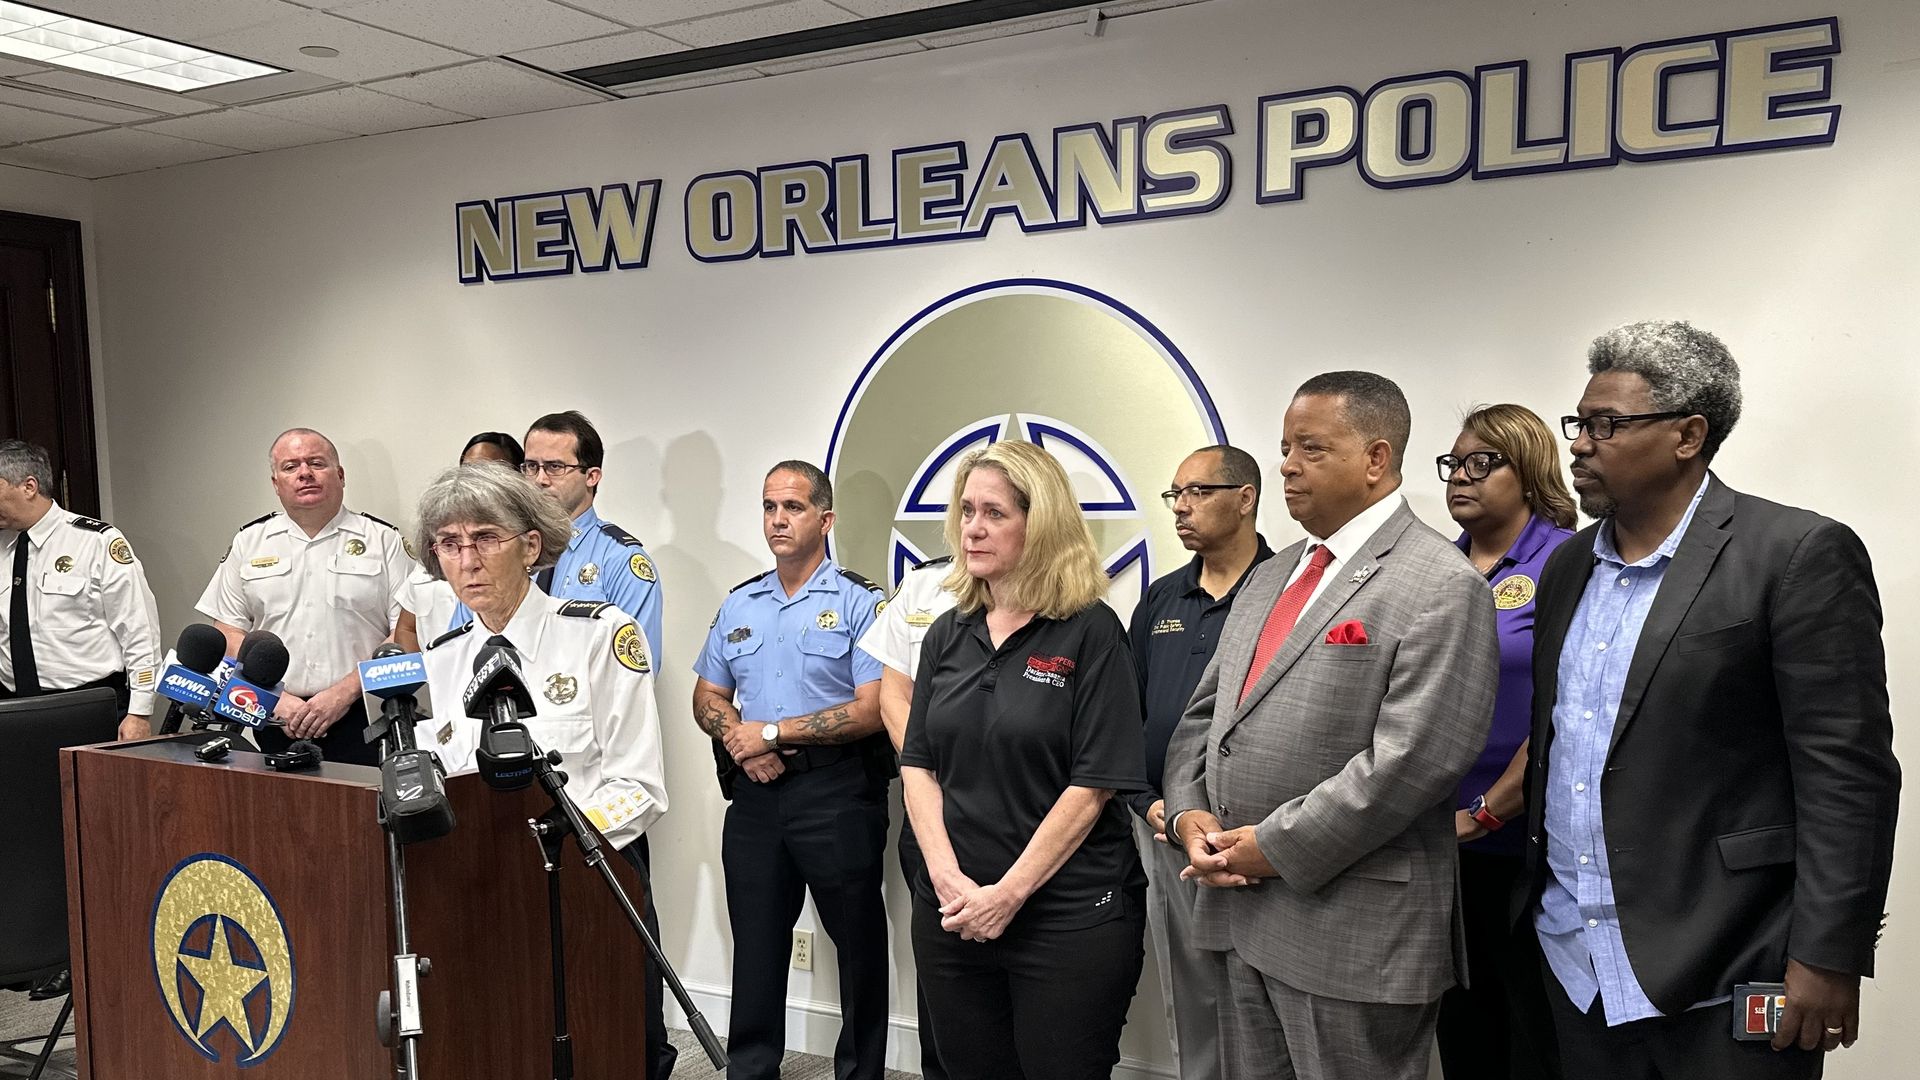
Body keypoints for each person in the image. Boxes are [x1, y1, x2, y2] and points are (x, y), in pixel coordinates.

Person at [1524, 320, 1899, 1079]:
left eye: (1606, 425)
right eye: (1579, 423)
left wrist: (1828, 956)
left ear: (1688, 434)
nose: (1580, 445)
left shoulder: (1794, 554)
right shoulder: (1567, 568)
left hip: (1727, 964)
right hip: (1573, 964)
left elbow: (1847, 774)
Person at [1163, 371, 1499, 1080]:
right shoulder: (1273, 573)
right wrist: (1188, 813)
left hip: (1351, 932)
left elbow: (1414, 762)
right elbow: (1206, 714)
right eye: (1286, 446)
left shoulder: (1441, 584)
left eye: (1310, 447)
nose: (1286, 464)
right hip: (1240, 912)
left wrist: (1272, 847)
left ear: (1376, 459)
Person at [411, 463, 674, 1080]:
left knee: (617, 1048)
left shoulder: (599, 635)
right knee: (503, 1042)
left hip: (593, 875)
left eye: (485, 538)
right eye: (449, 544)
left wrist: (558, 846)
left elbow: (639, 786)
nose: (466, 561)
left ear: (531, 545)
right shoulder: (444, 658)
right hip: (484, 891)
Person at [900, 440, 1148, 1080]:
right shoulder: (948, 633)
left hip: (1063, 920)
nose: (972, 528)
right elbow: (918, 764)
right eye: (965, 511)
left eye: (994, 513)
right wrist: (949, 879)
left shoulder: (1091, 631)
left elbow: (1091, 788)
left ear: (1040, 525)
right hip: (953, 912)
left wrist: (1006, 896)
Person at [692, 460, 890, 1080]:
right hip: (755, 797)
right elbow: (706, 696)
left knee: (857, 943)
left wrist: (772, 733)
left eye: (794, 507)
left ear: (825, 519)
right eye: (770, 507)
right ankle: (750, 1070)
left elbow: (871, 710)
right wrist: (741, 741)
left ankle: (861, 1072)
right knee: (755, 942)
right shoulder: (740, 602)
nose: (778, 519)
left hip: (837, 791)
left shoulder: (862, 602)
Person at [1433, 405, 1575, 1080]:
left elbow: (1563, 713)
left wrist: (1489, 810)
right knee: (1462, 1032)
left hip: (1529, 851)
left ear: (1530, 470)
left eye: (1481, 462)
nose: (1460, 477)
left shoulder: (1568, 561)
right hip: (1437, 846)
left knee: (1534, 1039)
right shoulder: (1436, 566)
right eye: (1453, 464)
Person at [1127, 444, 1273, 1080]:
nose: (1182, 507)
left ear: (1245, 499)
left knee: (1264, 989)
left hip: (1257, 828)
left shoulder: (1287, 592)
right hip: (1165, 823)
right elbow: (1124, 716)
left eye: (1199, 492)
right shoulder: (1162, 599)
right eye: (1175, 494)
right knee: (1189, 983)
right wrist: (1151, 802)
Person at [197, 428, 414, 764]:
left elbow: (406, 632)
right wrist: (275, 697)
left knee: (365, 813)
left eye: (316, 463)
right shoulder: (249, 542)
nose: (304, 474)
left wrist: (343, 693)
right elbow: (227, 630)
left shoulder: (383, 541)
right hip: (274, 715)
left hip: (366, 713)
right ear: (275, 483)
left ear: (340, 475)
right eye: (290, 467)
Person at [854, 550, 958, 1080]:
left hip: (1017, 815)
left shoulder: (1064, 586)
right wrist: (922, 770)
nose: (975, 524)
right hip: (928, 804)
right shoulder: (922, 586)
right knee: (938, 974)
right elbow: (894, 694)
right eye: (966, 508)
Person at [0, 439, 162, 743]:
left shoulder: (96, 542)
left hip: (85, 707)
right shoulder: (2, 546)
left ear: (28, 486)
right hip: (12, 708)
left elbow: (139, 630)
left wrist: (140, 711)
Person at [508, 411, 664, 663]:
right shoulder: (501, 549)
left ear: (592, 476)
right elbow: (463, 645)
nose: (539, 479)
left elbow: (636, 672)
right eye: (531, 467)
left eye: (555, 467)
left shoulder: (621, 561)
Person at [393, 432, 525, 651]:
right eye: (467, 469)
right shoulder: (438, 547)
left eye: (487, 472)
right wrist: (427, 678)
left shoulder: (517, 549)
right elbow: (407, 627)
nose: (473, 481)